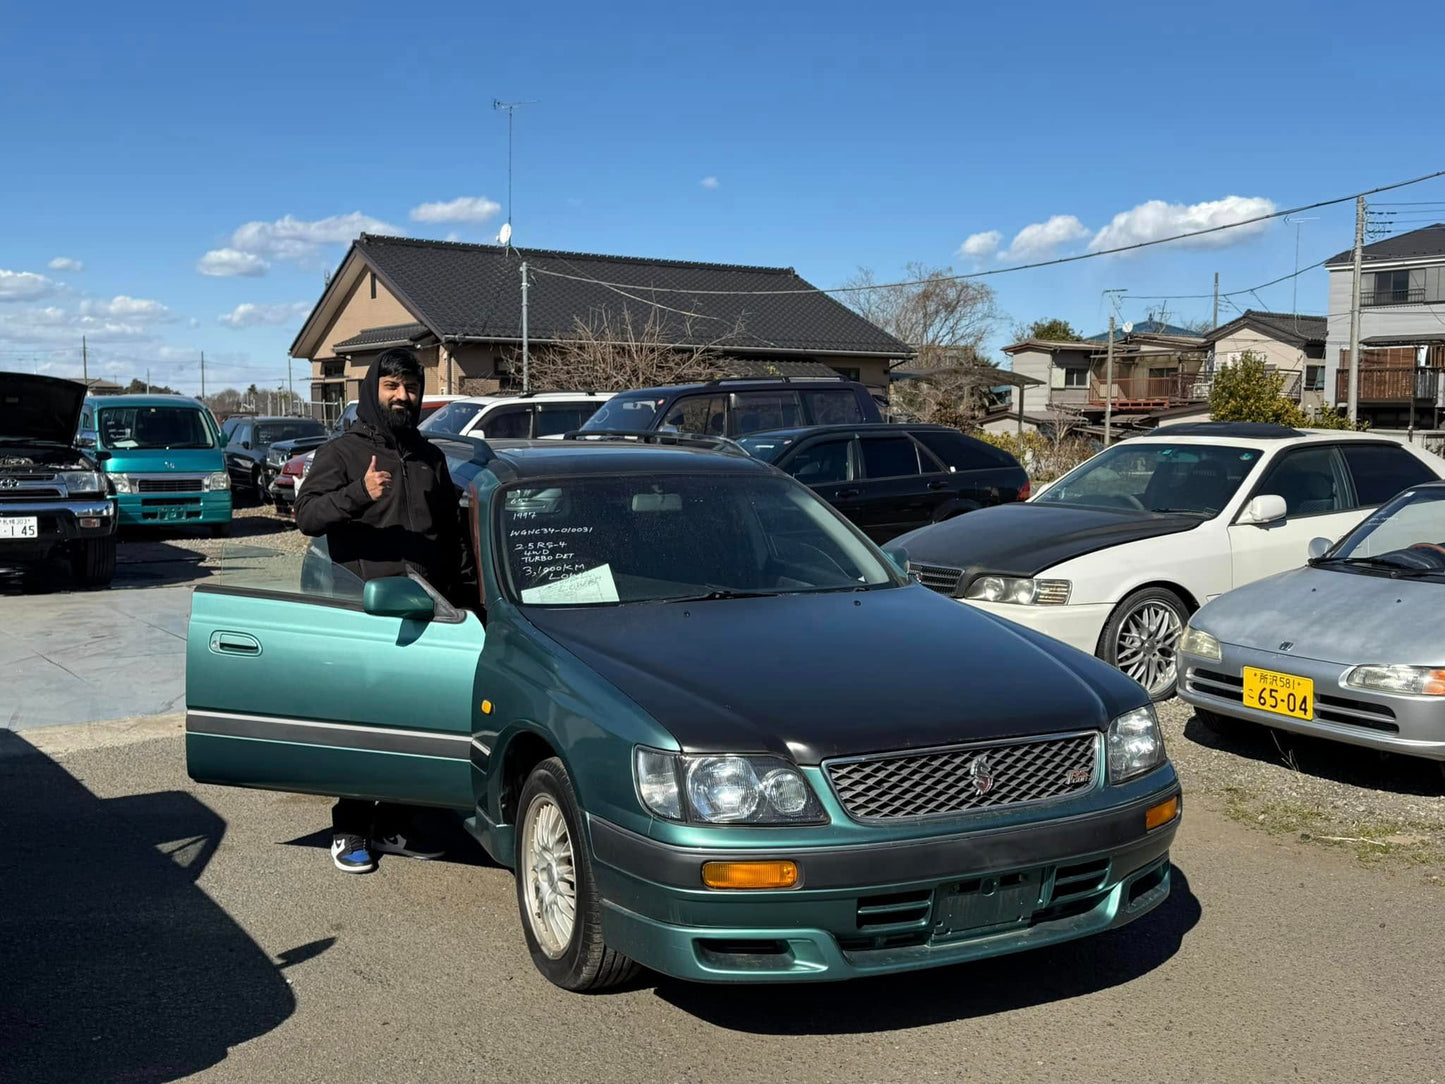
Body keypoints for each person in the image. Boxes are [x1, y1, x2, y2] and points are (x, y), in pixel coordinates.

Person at [295, 347, 475, 873]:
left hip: (429, 613)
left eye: (410, 387)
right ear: (373, 389)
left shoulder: (429, 456)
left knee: (417, 722)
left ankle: (396, 823)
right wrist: (359, 492)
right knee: (365, 724)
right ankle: (350, 826)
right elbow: (307, 515)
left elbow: (452, 536)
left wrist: (465, 599)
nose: (402, 396)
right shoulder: (345, 451)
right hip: (366, 612)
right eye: (392, 386)